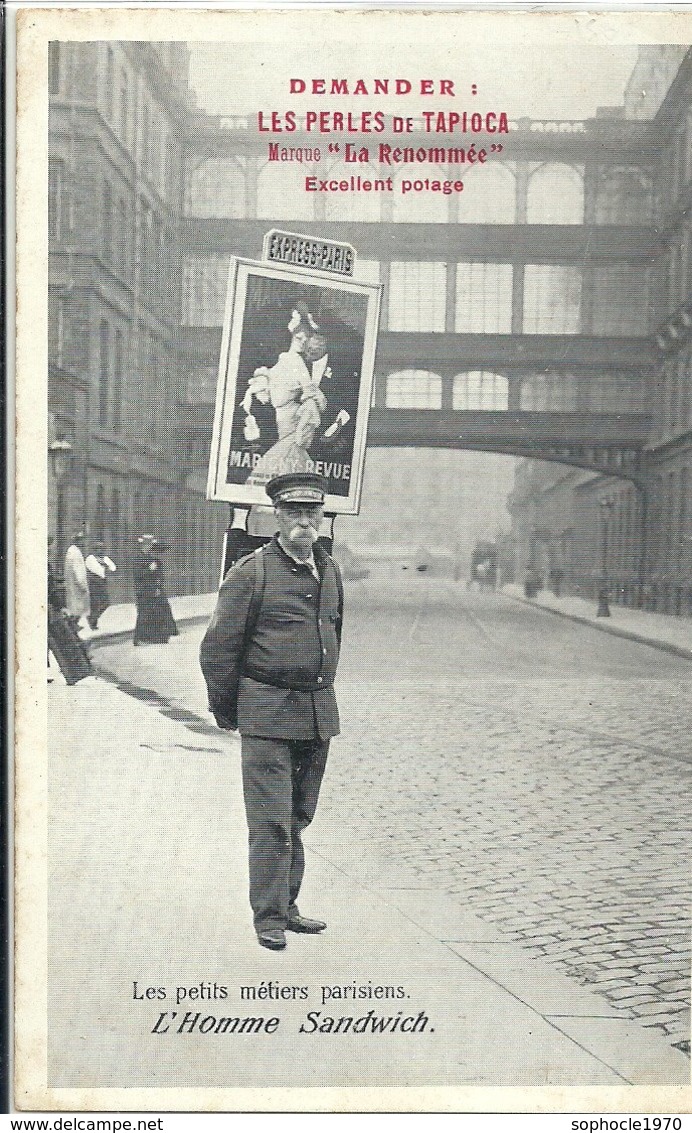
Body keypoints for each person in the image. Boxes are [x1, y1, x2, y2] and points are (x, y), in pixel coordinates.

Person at [200, 472, 343, 952]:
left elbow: (332, 636)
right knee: (270, 822)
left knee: (299, 816)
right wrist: (232, 712)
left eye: (312, 513)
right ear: (276, 517)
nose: (304, 522)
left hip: (316, 713)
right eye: (293, 513)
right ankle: (268, 918)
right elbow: (218, 651)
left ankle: (287, 904)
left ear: (322, 518)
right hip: (266, 713)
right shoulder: (252, 571)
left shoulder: (330, 570)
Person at [132, 535, 178, 645]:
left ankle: (159, 637)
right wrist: (149, 569)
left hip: (155, 590)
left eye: (150, 546)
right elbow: (137, 575)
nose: (149, 548)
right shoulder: (138, 558)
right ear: (143, 545)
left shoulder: (154, 559)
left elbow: (159, 575)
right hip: (144, 590)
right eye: (147, 545)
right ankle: (140, 639)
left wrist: (159, 586)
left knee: (160, 611)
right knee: (144, 614)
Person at [85, 541, 117, 629]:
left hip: (102, 583)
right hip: (94, 582)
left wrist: (106, 565)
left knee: (106, 602)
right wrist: (106, 567)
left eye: (101, 549)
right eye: (97, 549)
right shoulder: (90, 558)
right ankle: (93, 623)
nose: (99, 551)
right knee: (94, 603)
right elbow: (98, 571)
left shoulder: (104, 558)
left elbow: (113, 567)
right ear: (94, 550)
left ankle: (92, 618)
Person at [63, 532, 91, 635]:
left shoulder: (71, 552)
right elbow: (78, 571)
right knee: (78, 609)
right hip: (77, 587)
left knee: (76, 609)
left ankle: (72, 626)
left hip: (72, 585)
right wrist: (83, 586)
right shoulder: (76, 554)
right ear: (78, 541)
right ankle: (71, 626)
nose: (84, 543)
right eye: (82, 540)